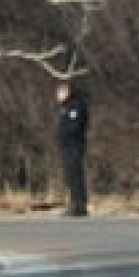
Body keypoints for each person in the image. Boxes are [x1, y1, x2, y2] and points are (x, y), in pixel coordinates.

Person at [55, 80, 90, 217]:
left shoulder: (76, 106)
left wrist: (65, 134)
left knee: (75, 175)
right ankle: (73, 202)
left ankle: (80, 204)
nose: (58, 95)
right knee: (69, 176)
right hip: (66, 145)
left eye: (61, 92)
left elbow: (74, 126)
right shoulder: (64, 107)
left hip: (74, 144)